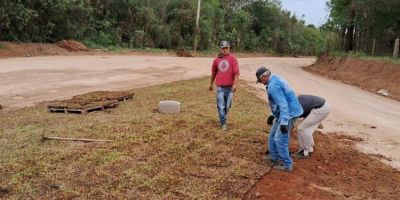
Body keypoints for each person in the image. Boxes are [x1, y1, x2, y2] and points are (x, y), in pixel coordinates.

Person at [256, 66, 303, 172]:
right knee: (272, 135)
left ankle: (287, 164)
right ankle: (274, 157)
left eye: (260, 80)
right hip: (284, 113)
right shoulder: (274, 78)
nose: (261, 83)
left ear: (264, 77)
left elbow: (283, 104)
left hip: (289, 114)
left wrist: (284, 122)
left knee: (280, 138)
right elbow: (279, 101)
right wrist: (272, 114)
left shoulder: (273, 86)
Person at [209, 41, 239, 131]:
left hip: (230, 88)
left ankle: (222, 118)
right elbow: (213, 73)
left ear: (229, 48)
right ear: (220, 49)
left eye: (227, 48)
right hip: (220, 87)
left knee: (228, 105)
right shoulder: (216, 60)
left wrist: (235, 84)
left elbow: (236, 73)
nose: (225, 50)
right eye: (223, 48)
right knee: (221, 105)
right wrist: (211, 84)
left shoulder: (233, 59)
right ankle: (223, 123)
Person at [291, 95, 331, 159]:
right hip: (324, 106)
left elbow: (295, 119)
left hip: (320, 108)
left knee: (301, 129)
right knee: (307, 129)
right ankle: (310, 149)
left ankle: (305, 152)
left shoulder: (295, 106)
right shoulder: (295, 101)